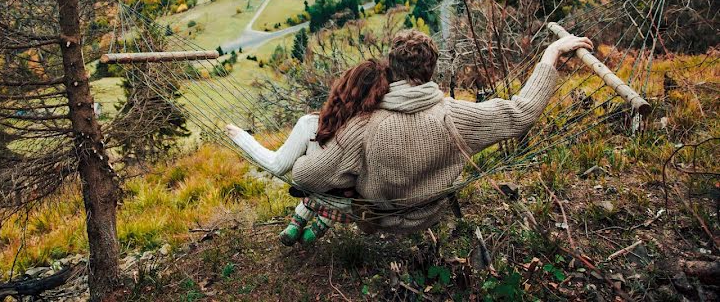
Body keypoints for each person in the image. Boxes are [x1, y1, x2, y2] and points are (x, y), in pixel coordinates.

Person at [291, 29, 593, 232]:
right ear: (431, 70)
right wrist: (551, 54)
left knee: (327, 154)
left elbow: (305, 177)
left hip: (378, 218)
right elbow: (522, 113)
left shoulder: (363, 126)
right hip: (429, 215)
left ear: (391, 68)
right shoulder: (456, 115)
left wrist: (312, 149)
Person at [225, 58, 389, 245]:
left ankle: (298, 224)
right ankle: (317, 228)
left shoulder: (310, 124)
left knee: (313, 177)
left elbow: (276, 166)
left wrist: (241, 137)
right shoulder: (379, 132)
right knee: (340, 184)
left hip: (316, 193)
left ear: (342, 88)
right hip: (349, 205)